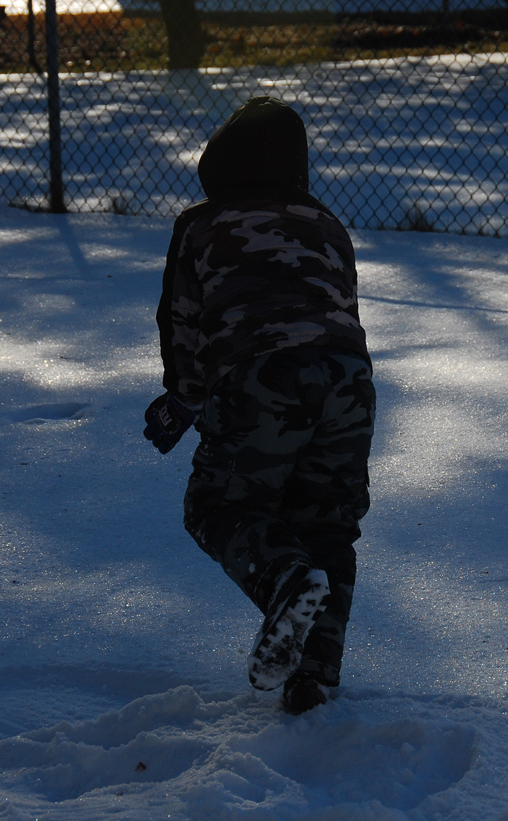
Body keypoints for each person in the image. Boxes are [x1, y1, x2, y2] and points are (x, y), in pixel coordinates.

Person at [144, 96, 375, 715]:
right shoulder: (327, 223)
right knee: (325, 522)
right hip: (349, 383)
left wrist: (182, 402)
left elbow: (184, 325)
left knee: (218, 503)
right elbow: (341, 311)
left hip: (260, 375)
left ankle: (283, 579)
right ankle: (314, 676)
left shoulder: (201, 225)